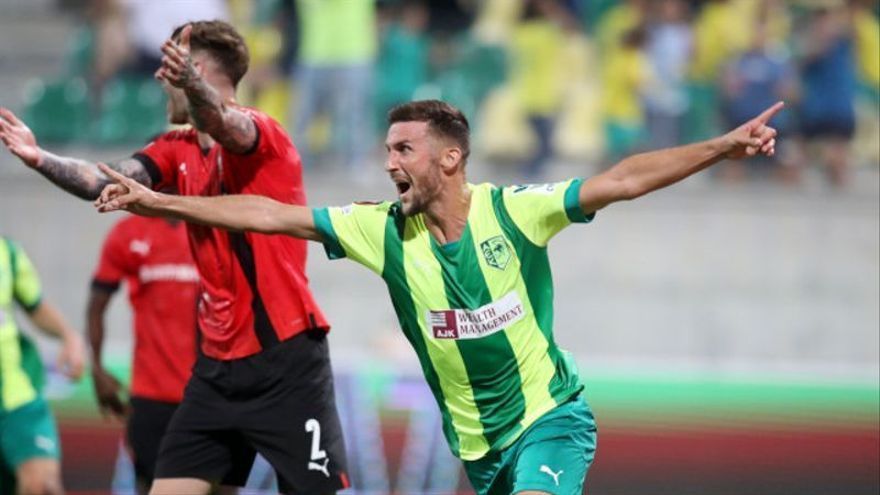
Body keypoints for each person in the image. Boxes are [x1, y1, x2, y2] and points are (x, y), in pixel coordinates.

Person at [91, 98, 784, 495]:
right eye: (388, 149)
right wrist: (161, 200)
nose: (389, 161)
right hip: (479, 452)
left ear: (450, 158)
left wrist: (720, 147)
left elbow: (623, 178)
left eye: (404, 149)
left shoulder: (516, 211)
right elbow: (269, 214)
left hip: (551, 420)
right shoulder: (381, 229)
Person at [0, 20, 348, 495]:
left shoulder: (265, 135)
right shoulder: (174, 149)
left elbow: (227, 124)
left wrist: (193, 85)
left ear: (195, 70)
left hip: (284, 361)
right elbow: (104, 181)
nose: (161, 79)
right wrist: (41, 157)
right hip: (216, 369)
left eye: (172, 70)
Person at [87, 213, 199, 493]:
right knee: (152, 486)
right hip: (151, 395)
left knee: (219, 485)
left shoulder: (213, 226)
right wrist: (97, 368)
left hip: (210, 394)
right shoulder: (129, 233)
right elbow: (96, 305)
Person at [0, 236, 85, 495]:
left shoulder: (7, 253)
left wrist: (68, 335)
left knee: (42, 486)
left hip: (16, 398)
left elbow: (34, 304)